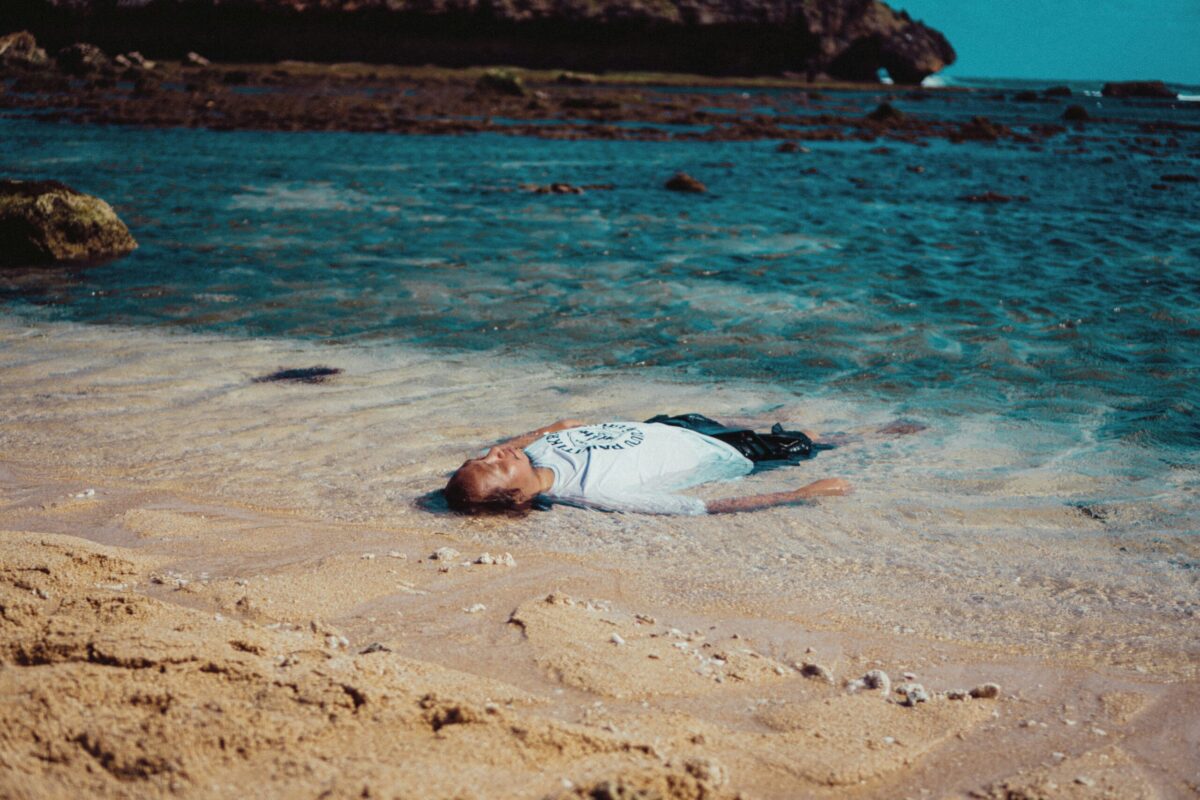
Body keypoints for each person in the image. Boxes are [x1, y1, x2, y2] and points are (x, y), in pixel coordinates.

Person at [443, 414, 851, 516]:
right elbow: (702, 508)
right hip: (728, 451)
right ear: (518, 496)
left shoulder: (535, 456)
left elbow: (509, 448)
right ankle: (885, 434)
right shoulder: (592, 492)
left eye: (484, 455)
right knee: (810, 439)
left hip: (671, 425)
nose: (496, 451)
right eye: (494, 463)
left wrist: (551, 428)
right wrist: (800, 495)